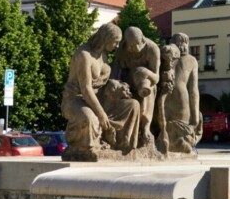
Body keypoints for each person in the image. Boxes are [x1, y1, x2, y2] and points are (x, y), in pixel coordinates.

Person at [61, 23, 141, 160]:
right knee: (90, 117)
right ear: (106, 38)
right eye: (115, 42)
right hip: (76, 100)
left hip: (99, 99)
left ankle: (122, 147)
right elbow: (86, 89)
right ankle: (88, 149)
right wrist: (101, 114)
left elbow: (103, 84)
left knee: (133, 105)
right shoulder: (84, 55)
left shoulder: (103, 55)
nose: (116, 46)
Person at [115, 26, 161, 148]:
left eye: (135, 45)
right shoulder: (122, 48)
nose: (132, 48)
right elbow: (117, 68)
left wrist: (145, 72)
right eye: (129, 45)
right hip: (127, 80)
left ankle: (145, 128)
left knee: (148, 90)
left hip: (146, 82)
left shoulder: (152, 49)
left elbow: (156, 78)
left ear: (142, 41)